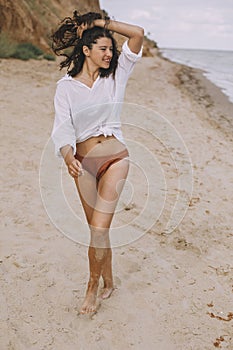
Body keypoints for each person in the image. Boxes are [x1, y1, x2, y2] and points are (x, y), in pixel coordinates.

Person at [51, 11, 144, 314]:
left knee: (99, 229)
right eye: (103, 48)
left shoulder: (116, 75)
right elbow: (62, 128)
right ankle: (110, 281)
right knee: (97, 229)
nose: (109, 54)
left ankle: (91, 288)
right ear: (86, 51)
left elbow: (137, 33)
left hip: (115, 158)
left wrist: (102, 25)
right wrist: (67, 157)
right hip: (81, 163)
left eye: (111, 49)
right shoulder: (66, 86)